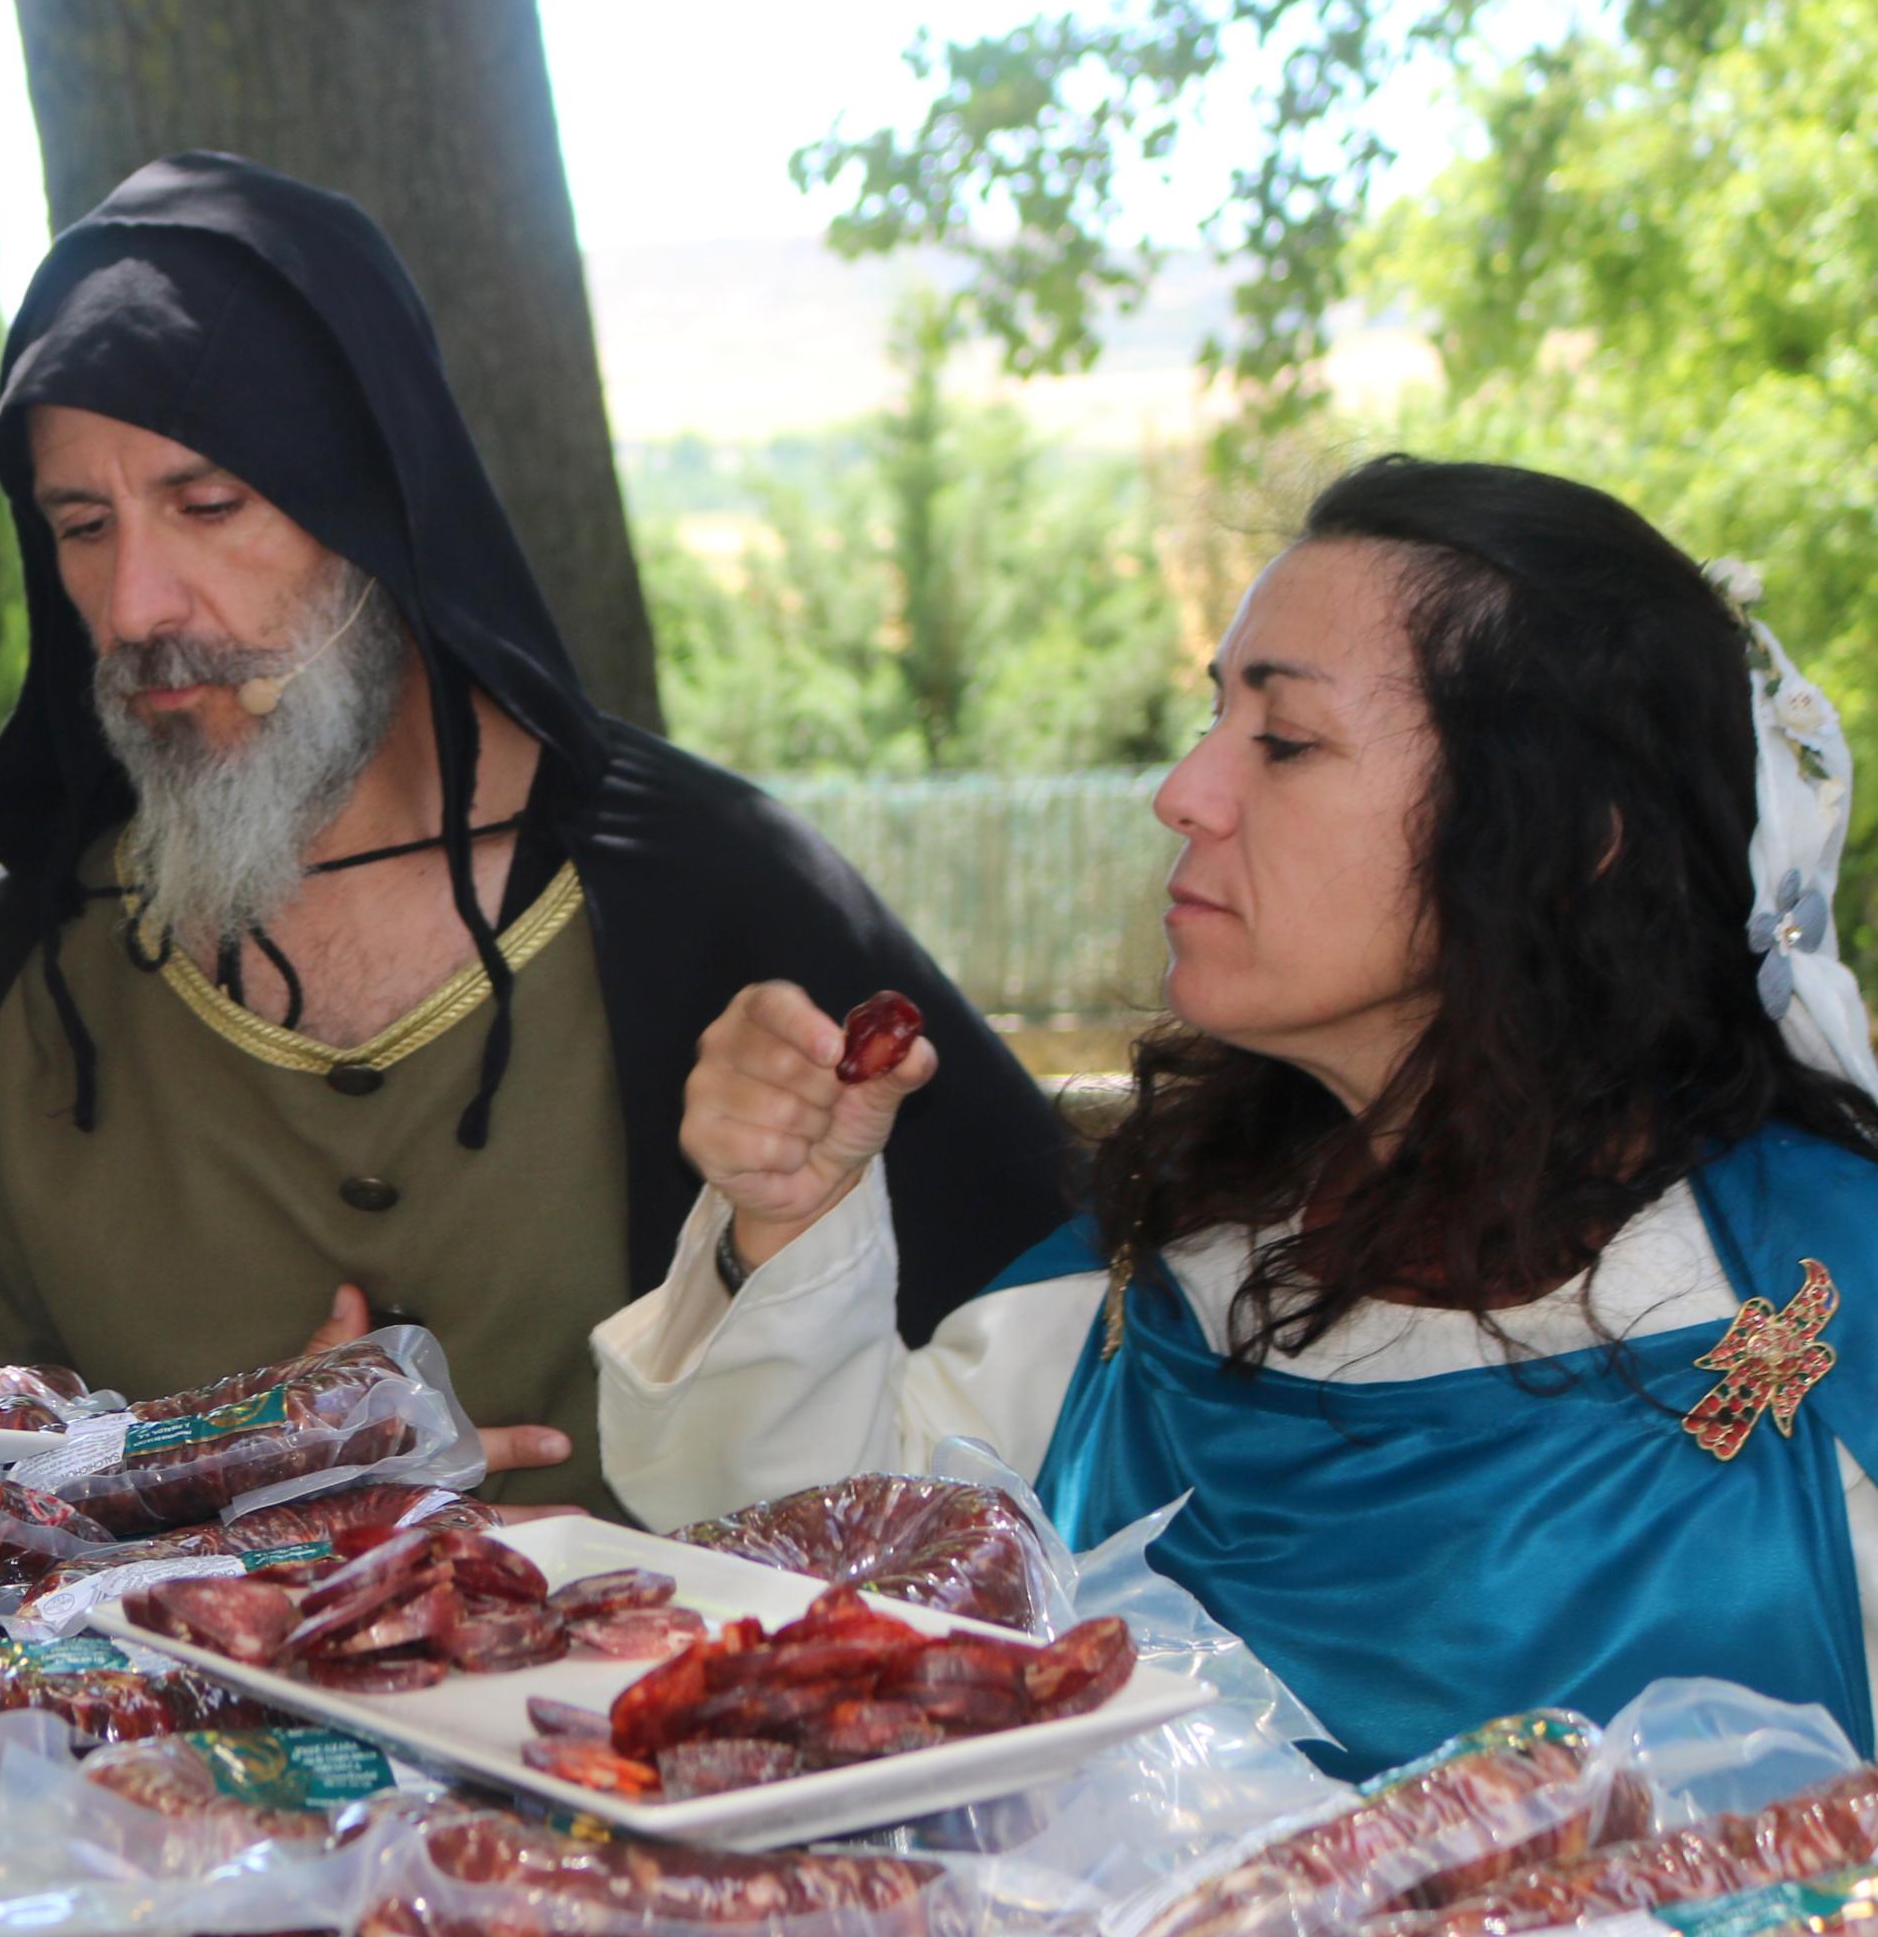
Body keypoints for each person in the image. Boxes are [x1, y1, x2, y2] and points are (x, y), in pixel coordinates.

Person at [596, 455, 1878, 1775]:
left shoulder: (1828, 1320)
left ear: (1568, 834)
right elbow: (813, 1593)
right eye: (1211, 722)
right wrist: (790, 1223)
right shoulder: (1154, 1282)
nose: (1182, 791)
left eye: (1283, 740)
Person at [0, 152, 1073, 1506]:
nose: (135, 604)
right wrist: (192, 1480)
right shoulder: (20, 981)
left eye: (208, 505)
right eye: (80, 524)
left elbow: (1051, 1387)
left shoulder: (712, 900)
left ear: (369, 503)